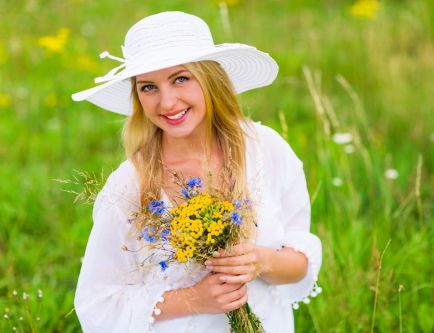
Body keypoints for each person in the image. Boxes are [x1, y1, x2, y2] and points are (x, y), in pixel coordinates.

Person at [72, 11, 322, 333]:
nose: (167, 102)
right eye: (148, 87)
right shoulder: (130, 186)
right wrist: (194, 299)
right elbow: (97, 303)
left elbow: (300, 261)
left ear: (210, 80)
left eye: (181, 78)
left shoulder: (265, 149)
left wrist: (260, 261)